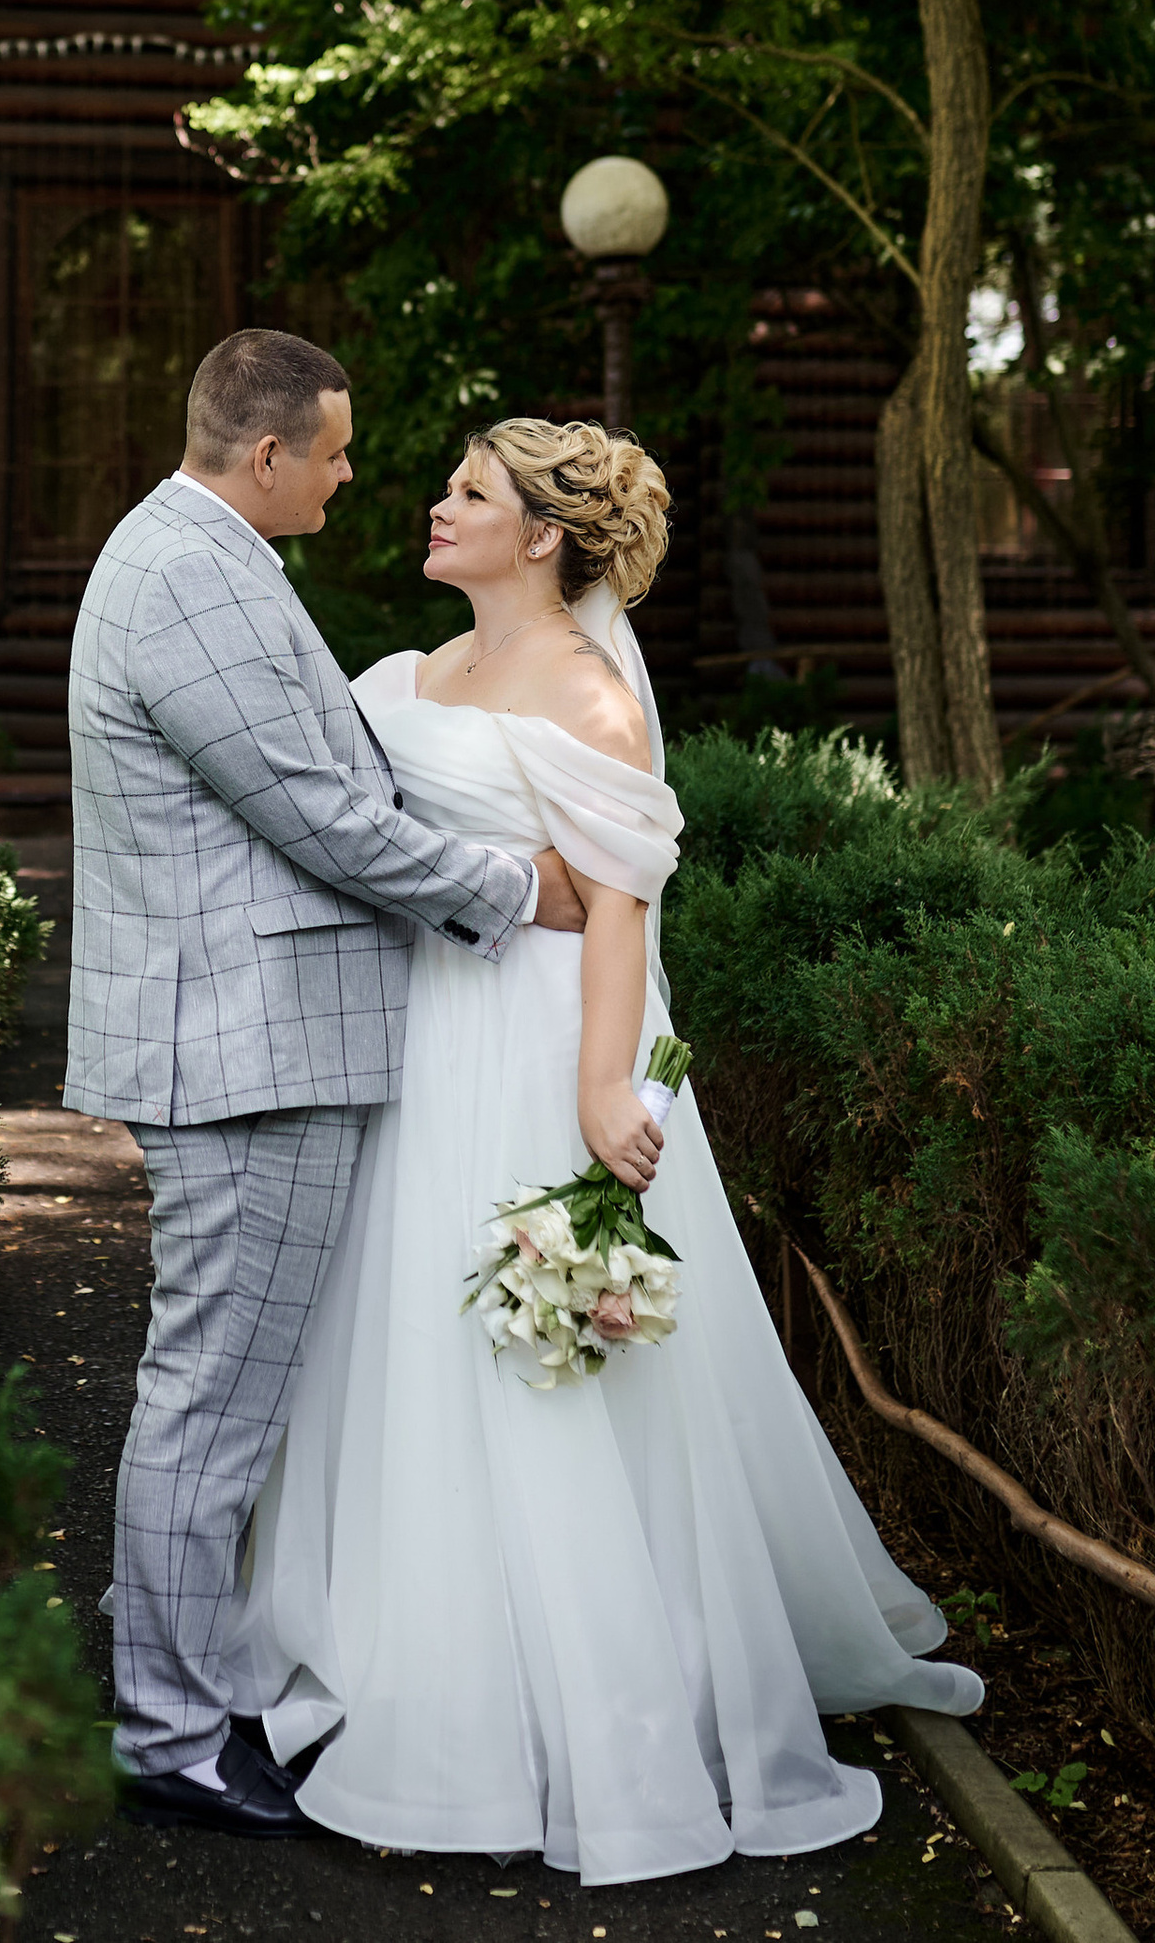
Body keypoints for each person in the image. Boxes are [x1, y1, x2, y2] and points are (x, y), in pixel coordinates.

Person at [220, 415, 982, 1885]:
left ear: (545, 536)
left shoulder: (590, 698)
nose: (435, 510)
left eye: (468, 494)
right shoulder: (422, 675)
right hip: (423, 1034)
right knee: (404, 1346)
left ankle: (575, 1689)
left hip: (534, 1045)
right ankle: (402, 1634)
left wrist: (597, 1092)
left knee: (532, 1364)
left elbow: (621, 909)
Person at [64, 329, 595, 1841]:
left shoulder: (212, 556)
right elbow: (319, 814)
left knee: (223, 1393)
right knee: (211, 1399)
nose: (359, 476)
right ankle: (169, 1734)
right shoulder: (189, 575)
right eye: (343, 452)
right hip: (244, 1049)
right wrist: (515, 890)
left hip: (251, 1037)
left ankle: (197, 1687)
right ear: (269, 455)